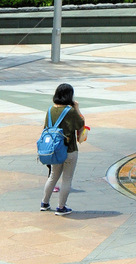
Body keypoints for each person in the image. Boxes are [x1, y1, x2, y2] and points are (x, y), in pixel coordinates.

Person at [41, 83, 85, 215]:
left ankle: (45, 203)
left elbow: (45, 128)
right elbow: (81, 124)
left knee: (53, 176)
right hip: (69, 149)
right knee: (67, 179)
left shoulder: (50, 110)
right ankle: (61, 207)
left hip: (54, 149)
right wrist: (76, 107)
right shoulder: (70, 111)